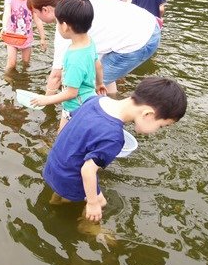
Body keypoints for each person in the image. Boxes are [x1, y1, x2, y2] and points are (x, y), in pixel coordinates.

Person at [43, 77, 187, 221]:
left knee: (83, 192)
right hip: (69, 177)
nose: (157, 130)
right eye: (161, 126)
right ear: (147, 114)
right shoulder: (114, 137)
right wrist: (93, 204)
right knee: (100, 203)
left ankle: (56, 200)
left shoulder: (96, 100)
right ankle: (89, 228)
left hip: (53, 165)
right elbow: (87, 170)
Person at [28, 0, 161, 95]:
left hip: (139, 41)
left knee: (86, 90)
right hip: (148, 23)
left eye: (36, 13)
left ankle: (104, 117)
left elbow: (56, 76)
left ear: (45, 10)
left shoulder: (65, 28)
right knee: (102, 77)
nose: (36, 17)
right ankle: (112, 100)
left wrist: (46, 103)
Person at [31, 0, 106, 131]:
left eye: (58, 22)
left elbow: (71, 93)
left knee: (63, 139)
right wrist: (100, 83)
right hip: (89, 99)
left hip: (75, 108)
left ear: (65, 26)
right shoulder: (89, 41)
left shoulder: (74, 57)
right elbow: (98, 65)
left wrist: (45, 99)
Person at [1, 0, 46, 72]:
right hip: (11, 36)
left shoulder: (31, 0)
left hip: (26, 37)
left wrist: (42, 37)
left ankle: (24, 80)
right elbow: (6, 13)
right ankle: (7, 80)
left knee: (26, 63)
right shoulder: (10, 0)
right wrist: (4, 27)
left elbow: (37, 19)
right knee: (11, 64)